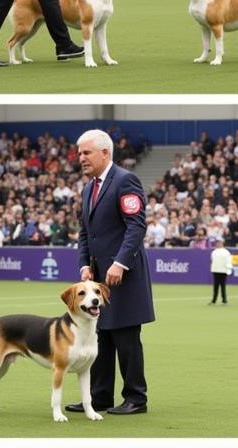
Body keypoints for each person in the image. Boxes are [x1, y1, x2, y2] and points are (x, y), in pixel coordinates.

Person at [68, 129, 154, 415]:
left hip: (124, 277)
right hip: (98, 279)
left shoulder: (125, 180)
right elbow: (85, 233)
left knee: (126, 338)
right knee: (100, 337)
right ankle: (99, 396)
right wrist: (84, 264)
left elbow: (136, 226)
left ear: (105, 152)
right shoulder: (88, 188)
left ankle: (136, 398)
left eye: (86, 152)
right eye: (79, 153)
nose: (81, 158)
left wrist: (120, 263)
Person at [209, 239, 233, 304]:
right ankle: (214, 299)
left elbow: (228, 261)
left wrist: (228, 269)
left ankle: (224, 299)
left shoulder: (226, 252)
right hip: (216, 270)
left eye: (219, 243)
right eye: (217, 243)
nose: (218, 244)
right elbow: (212, 260)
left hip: (223, 270)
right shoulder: (214, 252)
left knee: (223, 286)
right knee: (216, 286)